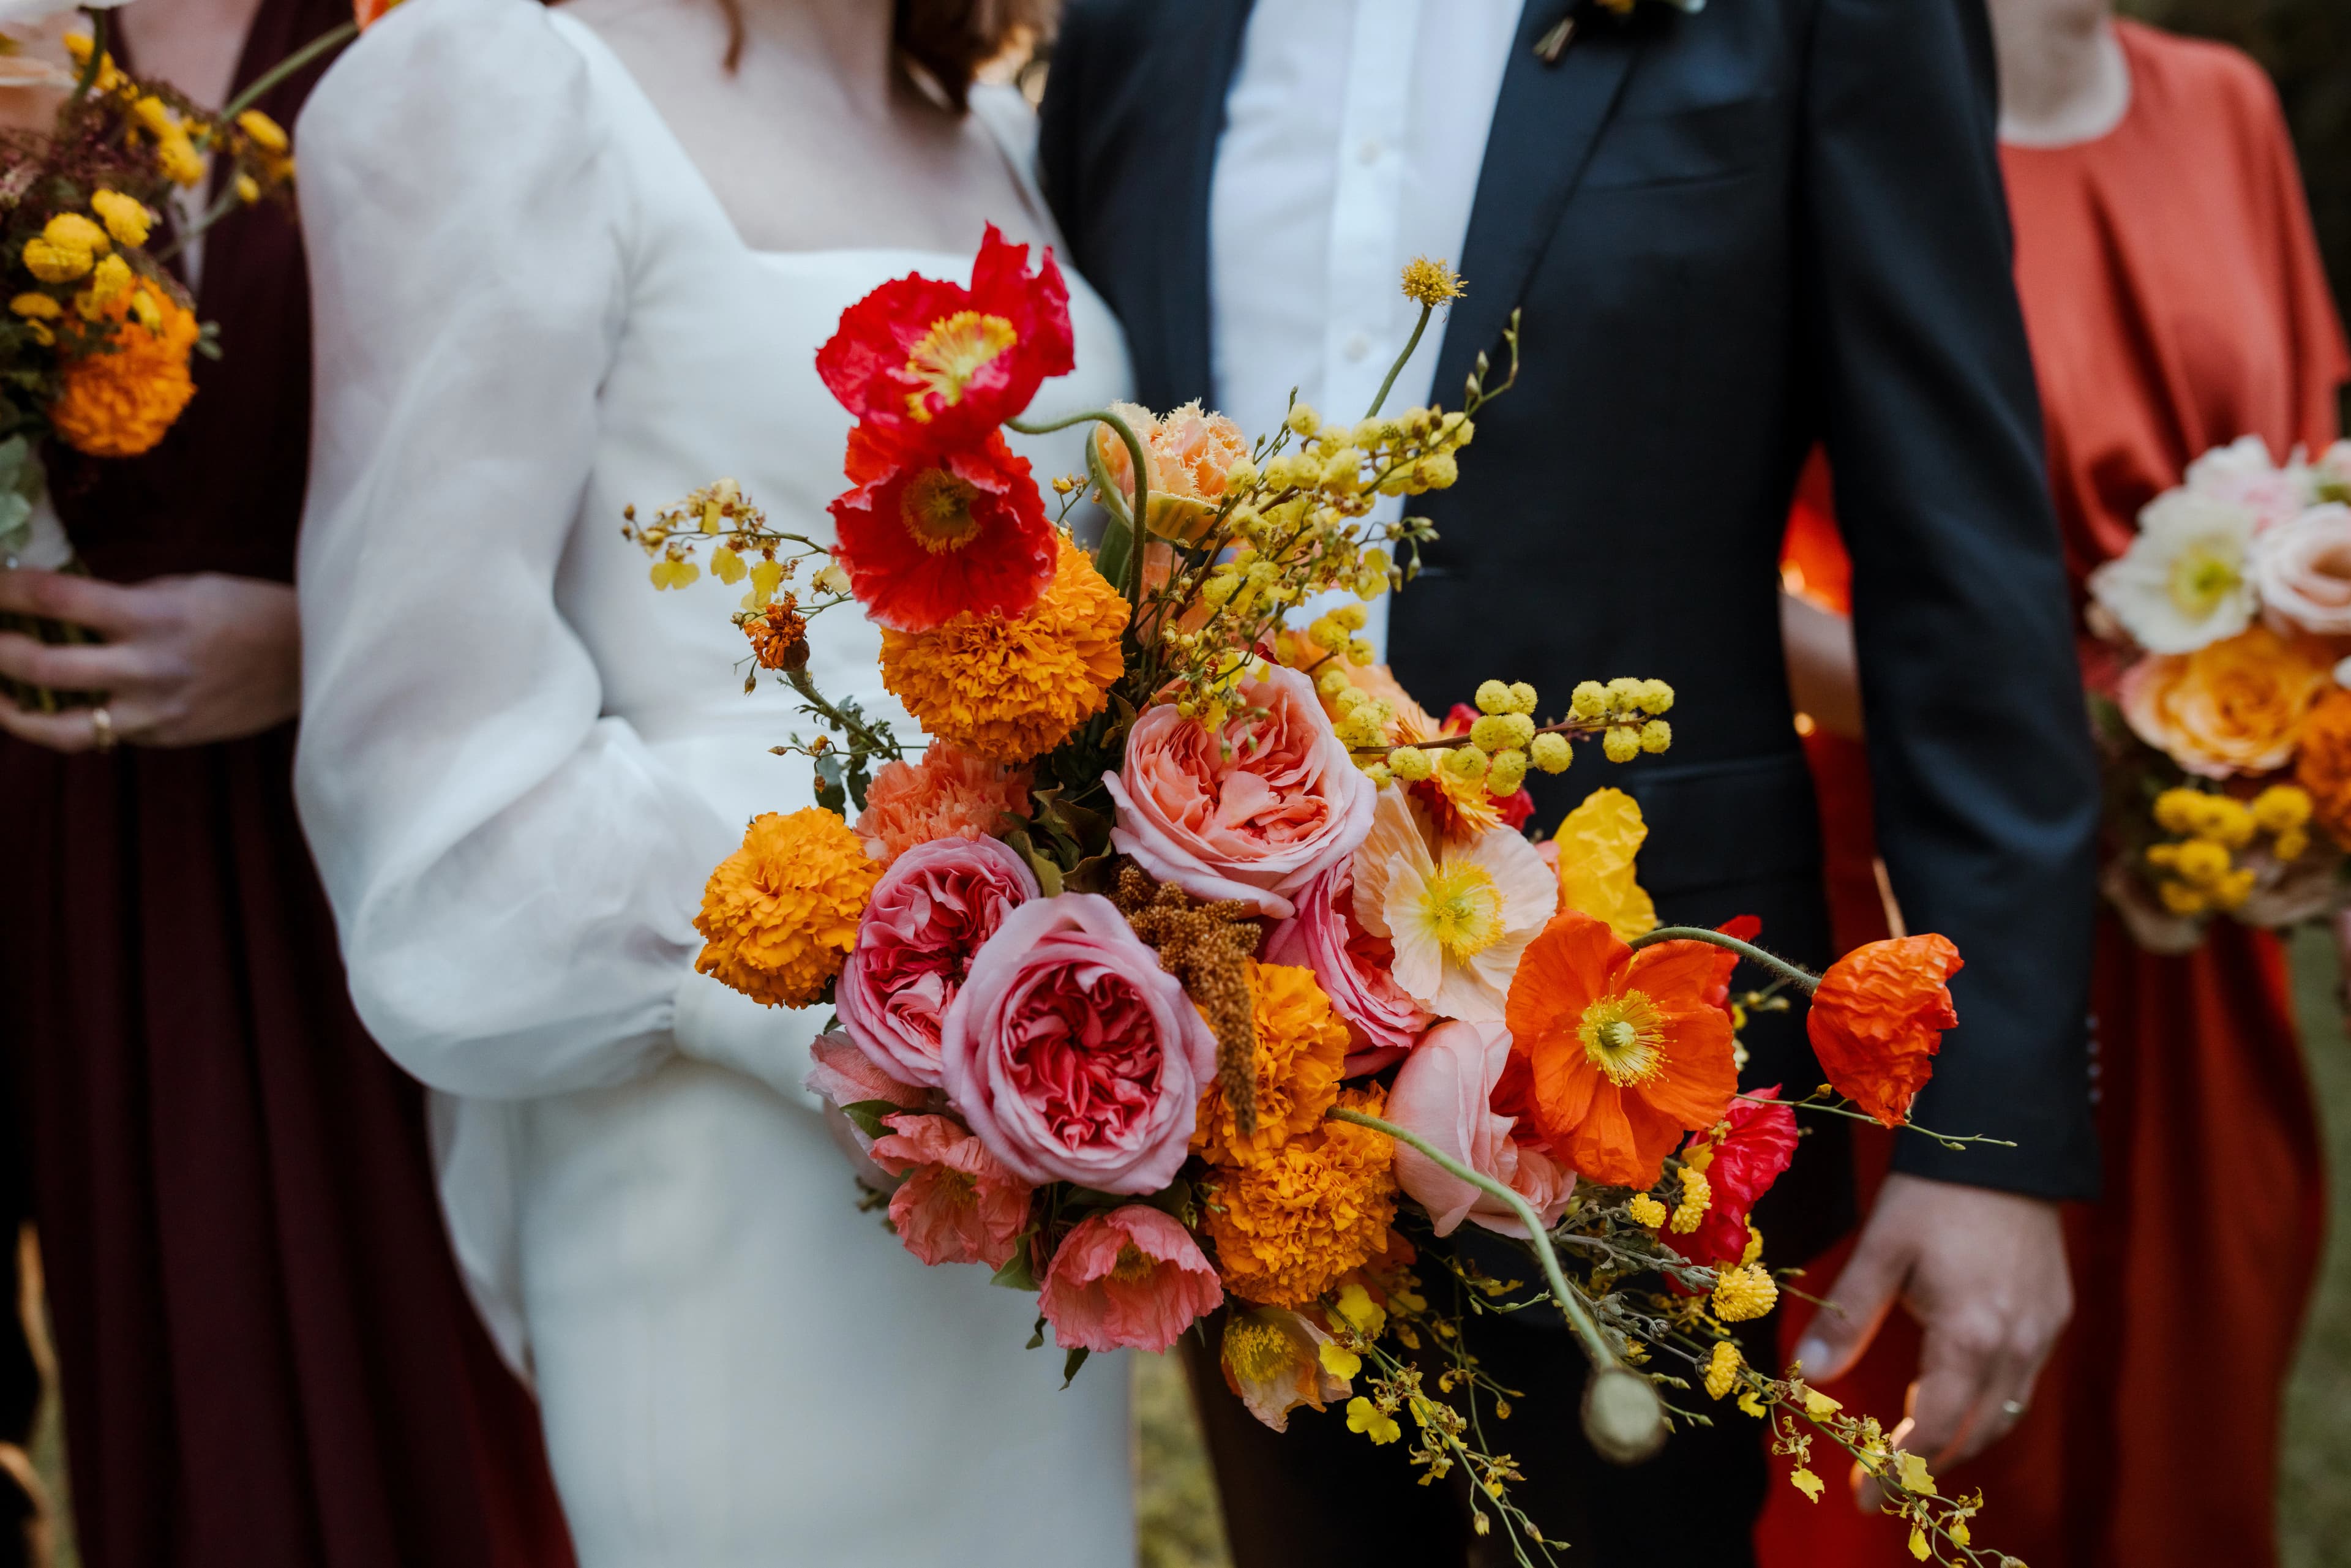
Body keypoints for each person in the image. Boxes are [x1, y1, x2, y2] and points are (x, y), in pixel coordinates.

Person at [1041, 0, 2099, 1560]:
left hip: (1645, 1068)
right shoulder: (1138, 23)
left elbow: (1959, 550)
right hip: (1219, 1056)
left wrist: (1987, 1135)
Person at [287, 0, 1137, 1561]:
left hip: (1046, 1153)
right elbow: (427, 781)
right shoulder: (502, 84)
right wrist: (864, 982)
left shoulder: (1000, 132)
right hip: (730, 1164)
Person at [1760, 1, 2349, 1561]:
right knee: (1914, 1462)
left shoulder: (2227, 108)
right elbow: (1719, 569)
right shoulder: (1793, 104)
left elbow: (2310, 483)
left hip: (2195, 912)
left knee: (2187, 1411)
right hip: (1912, 919)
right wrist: (2050, 728)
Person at [0, 0, 579, 1562]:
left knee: (413, 1379)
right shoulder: (27, 41)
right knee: (175, 1365)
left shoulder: (456, 35)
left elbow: (598, 454)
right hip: (79, 842)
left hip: (363, 829)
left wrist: (323, 644)